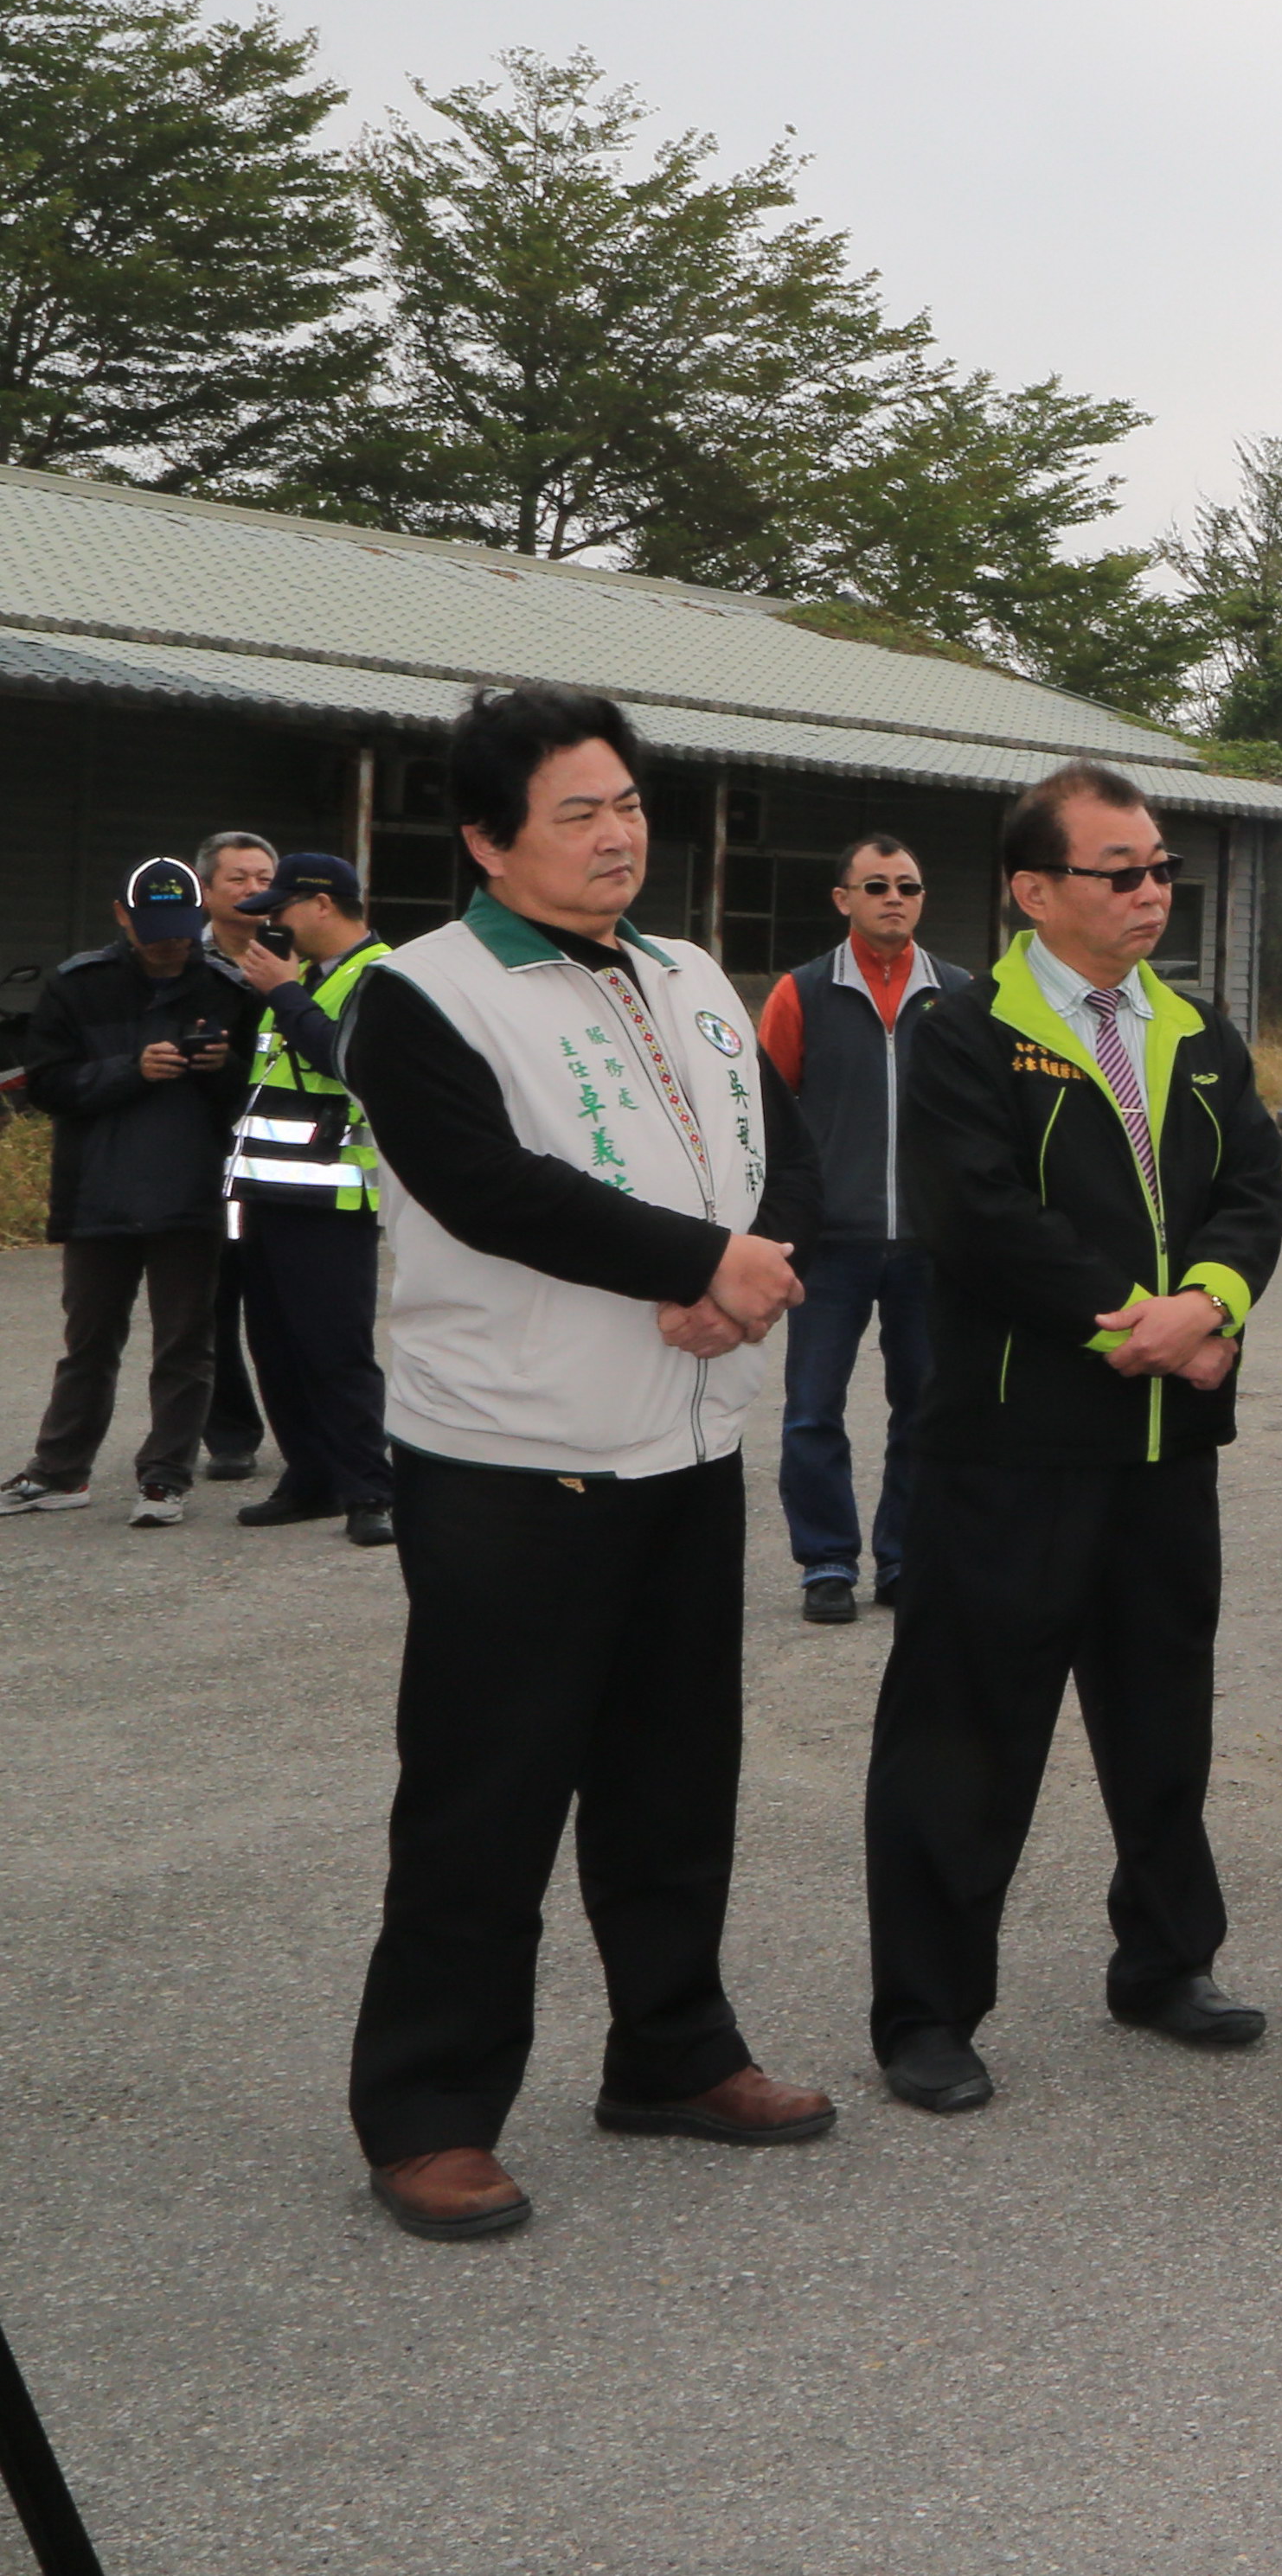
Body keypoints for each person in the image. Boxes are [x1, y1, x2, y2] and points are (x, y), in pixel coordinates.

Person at [337, 686, 836, 2240]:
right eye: (578, 811)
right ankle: (428, 2109)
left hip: (685, 1439)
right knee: (485, 1794)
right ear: (489, 839)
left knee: (674, 1773)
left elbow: (786, 1154)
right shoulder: (420, 995)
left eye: (627, 803)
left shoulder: (688, 971)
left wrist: (745, 1271)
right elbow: (488, 1187)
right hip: (513, 1455)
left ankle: (673, 2050)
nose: (619, 834)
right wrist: (694, 1263)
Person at [860, 764, 1282, 2113]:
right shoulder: (966, 1031)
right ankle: (928, 2011)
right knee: (966, 1735)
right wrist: (1134, 1327)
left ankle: (1165, 1960)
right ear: (1034, 891)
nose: (1152, 890)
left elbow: (1253, 1193)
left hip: (1166, 1448)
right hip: (1011, 1444)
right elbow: (979, 1216)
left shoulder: (1198, 1031)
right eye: (1122, 870)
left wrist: (1207, 1304)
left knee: (1162, 1721)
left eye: (1162, 867)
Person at [3, 857, 263, 1527]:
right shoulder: (78, 986)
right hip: (99, 1190)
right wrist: (132, 1069)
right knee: (89, 1342)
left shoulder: (228, 989)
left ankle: (165, 1478)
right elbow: (46, 1085)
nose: (169, 942)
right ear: (122, 916)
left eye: (181, 927)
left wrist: (223, 1067)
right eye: (154, 928)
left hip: (191, 1191)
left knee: (186, 1342)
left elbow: (253, 1094)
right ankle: (60, 1471)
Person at [756, 834, 951, 1624]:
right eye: (876, 886)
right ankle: (827, 1562)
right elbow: (765, 1119)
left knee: (926, 1408)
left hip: (930, 1249)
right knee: (812, 1408)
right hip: (830, 1245)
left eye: (908, 885)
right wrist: (778, 1228)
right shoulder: (800, 994)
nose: (893, 898)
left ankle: (904, 1557)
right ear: (843, 899)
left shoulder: (960, 996)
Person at [215, 851, 401, 1546]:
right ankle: (311, 1477)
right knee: (277, 1347)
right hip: (264, 1192)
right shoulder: (305, 977)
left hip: (331, 1200)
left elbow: (349, 1061)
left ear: (323, 905)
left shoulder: (383, 978)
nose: (269, 925)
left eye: (280, 910)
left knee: (334, 1349)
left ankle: (370, 1490)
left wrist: (285, 994)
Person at [191, 829, 279, 1484]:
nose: (253, 890)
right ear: (206, 890)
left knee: (283, 1303)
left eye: (264, 878)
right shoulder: (177, 961)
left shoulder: (297, 956)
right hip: (202, 1152)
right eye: (238, 878)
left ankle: (309, 1431)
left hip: (282, 1157)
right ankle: (229, 1435)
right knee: (211, 1298)